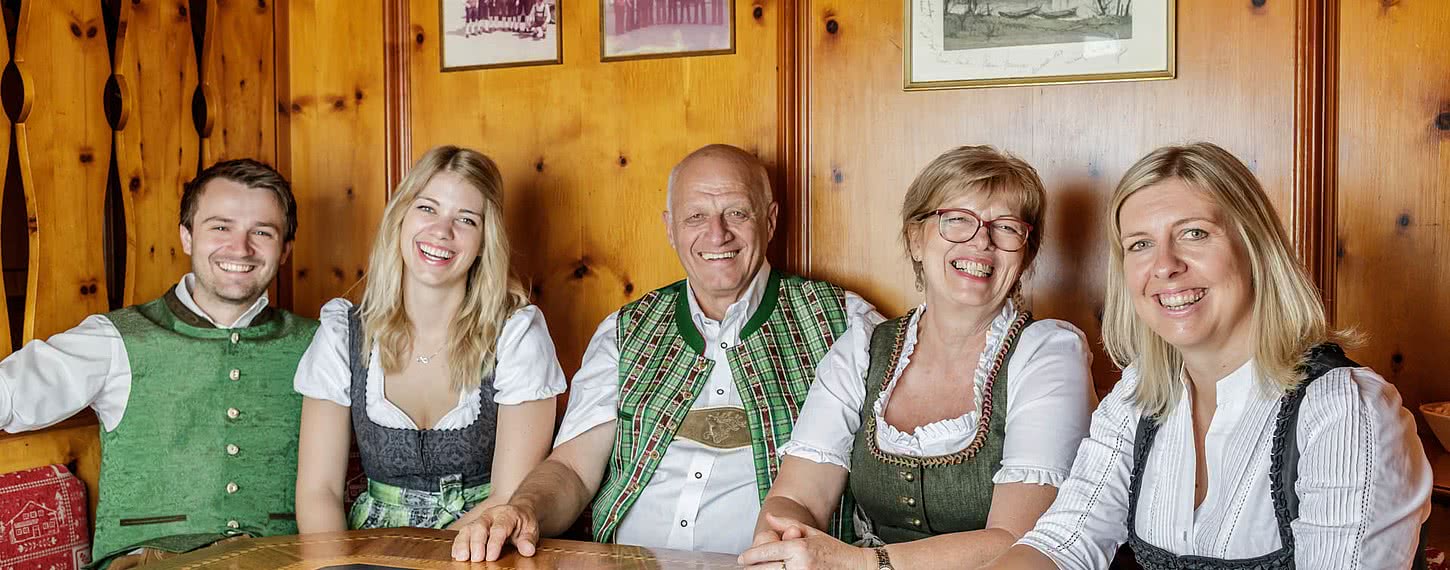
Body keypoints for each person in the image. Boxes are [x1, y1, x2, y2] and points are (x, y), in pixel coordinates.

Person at [985, 142, 1432, 569]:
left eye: (1194, 234)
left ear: (1255, 248)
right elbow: (1063, 543)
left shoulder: (1343, 410)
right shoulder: (1137, 397)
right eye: (1140, 244)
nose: (1164, 265)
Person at [448, 144, 882, 562]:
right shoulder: (624, 330)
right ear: (670, 227)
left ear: (769, 221)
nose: (717, 233)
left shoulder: (845, 324)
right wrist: (524, 509)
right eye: (696, 216)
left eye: (736, 212)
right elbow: (574, 469)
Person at [737, 146, 1096, 570]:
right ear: (916, 238)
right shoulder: (863, 349)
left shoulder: (1047, 354)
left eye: (1005, 227)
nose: (981, 241)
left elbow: (1019, 540)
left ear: (1025, 254)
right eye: (957, 220)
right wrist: (780, 540)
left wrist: (863, 564)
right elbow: (797, 496)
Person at [0, 159, 316, 568]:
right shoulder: (115, 340)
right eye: (220, 227)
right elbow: (9, 392)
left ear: (286, 249)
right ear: (187, 236)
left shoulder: (319, 343)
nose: (240, 248)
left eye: (262, 232)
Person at [293, 146, 565, 533]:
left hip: (481, 547)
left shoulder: (517, 335)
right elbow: (318, 491)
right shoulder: (343, 332)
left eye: (466, 219)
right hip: (365, 553)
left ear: (485, 240)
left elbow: (509, 496)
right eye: (427, 208)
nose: (442, 231)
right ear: (400, 218)